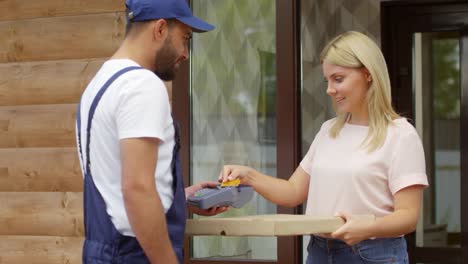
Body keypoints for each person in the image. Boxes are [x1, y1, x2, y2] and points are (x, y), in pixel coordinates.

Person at [219, 31, 428, 263]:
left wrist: (368, 227)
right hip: (319, 251)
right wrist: (249, 176)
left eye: (338, 79)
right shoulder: (329, 130)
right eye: (327, 80)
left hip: (373, 254)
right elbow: (292, 192)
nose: (329, 89)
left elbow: (408, 216)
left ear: (368, 74)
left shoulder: (400, 135)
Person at [75, 0, 227, 263]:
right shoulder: (142, 85)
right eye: (185, 38)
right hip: (134, 253)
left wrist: (179, 196)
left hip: (103, 249)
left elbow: (113, 177)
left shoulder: (100, 83)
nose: (185, 53)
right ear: (159, 29)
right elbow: (137, 188)